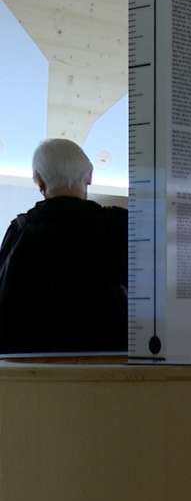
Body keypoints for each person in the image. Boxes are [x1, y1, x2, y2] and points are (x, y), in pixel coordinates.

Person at [0, 139, 126, 354]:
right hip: (111, 358)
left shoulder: (20, 230)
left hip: (34, 362)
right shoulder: (120, 225)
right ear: (89, 176)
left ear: (40, 181)